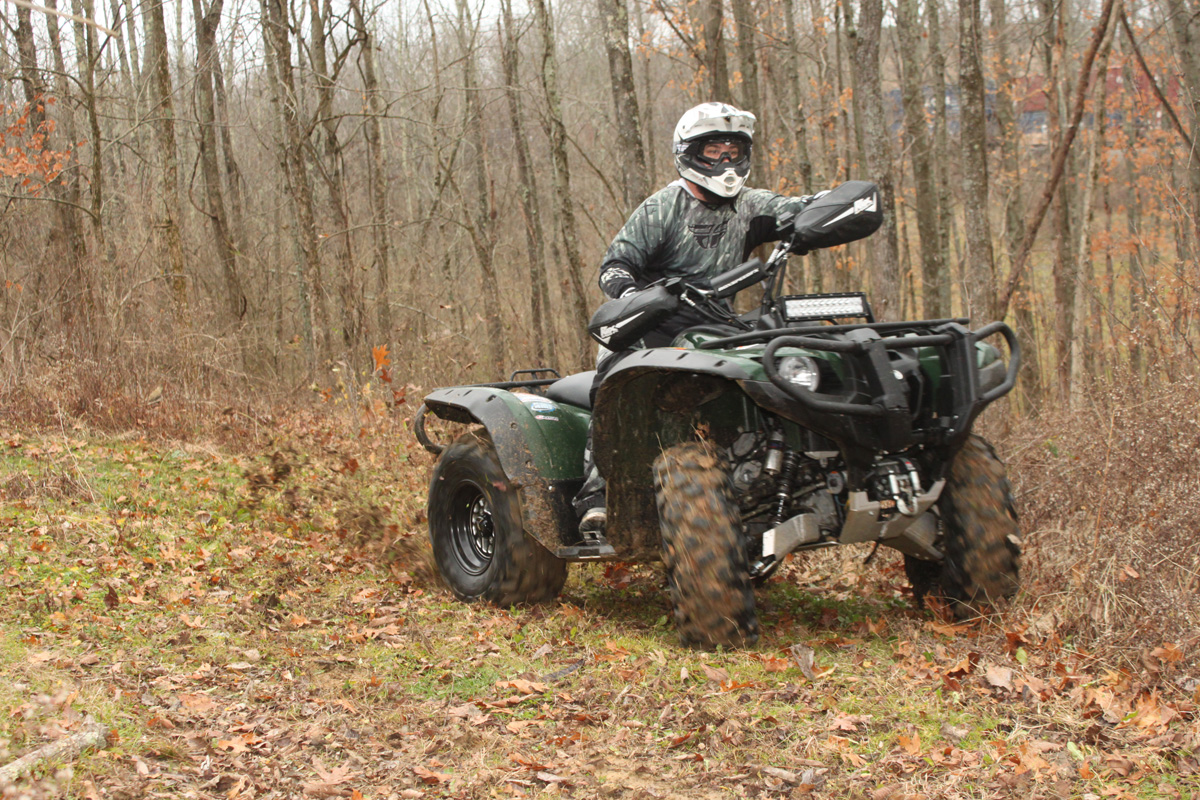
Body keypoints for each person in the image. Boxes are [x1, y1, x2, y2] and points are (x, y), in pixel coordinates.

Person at [573, 101, 825, 538]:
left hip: (715, 328)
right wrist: (635, 299)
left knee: (775, 368)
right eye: (714, 151)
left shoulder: (751, 205)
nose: (725, 161)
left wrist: (832, 204)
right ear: (690, 154)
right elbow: (614, 266)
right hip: (647, 328)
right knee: (612, 390)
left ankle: (768, 477)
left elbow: (798, 210)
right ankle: (596, 498)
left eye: (733, 151)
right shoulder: (661, 208)